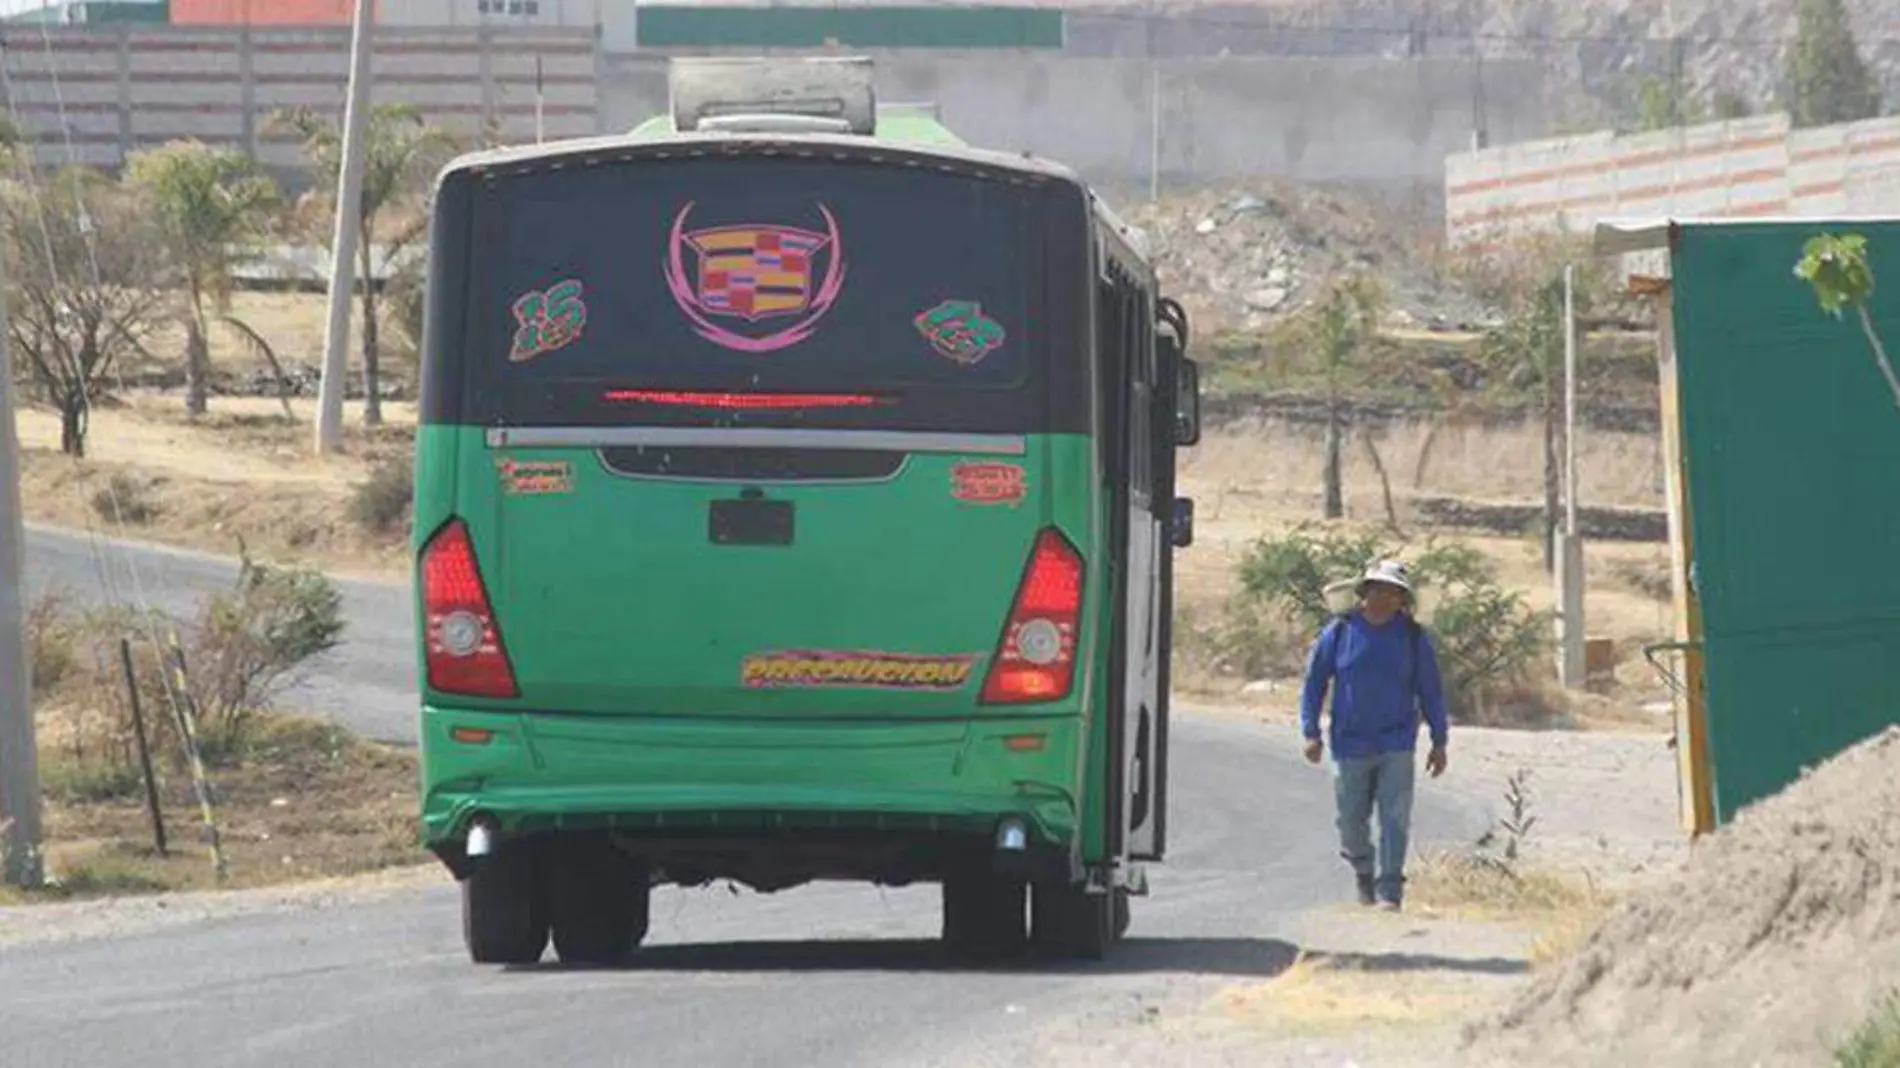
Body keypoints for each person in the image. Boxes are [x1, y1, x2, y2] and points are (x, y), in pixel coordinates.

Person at [1299, 559, 1449, 911]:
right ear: (1363, 593)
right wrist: (1310, 732)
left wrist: (1439, 740)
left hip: (1396, 742)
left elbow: (1431, 690)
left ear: (1403, 600)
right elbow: (1314, 683)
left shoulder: (1412, 638)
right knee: (1350, 821)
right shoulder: (1338, 633)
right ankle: (1363, 870)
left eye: (1393, 593)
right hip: (1349, 742)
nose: (1384, 598)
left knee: (1394, 818)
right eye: (1378, 590)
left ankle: (1389, 891)